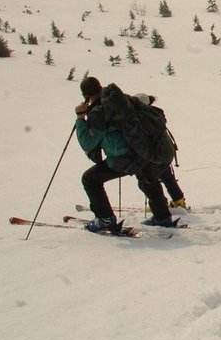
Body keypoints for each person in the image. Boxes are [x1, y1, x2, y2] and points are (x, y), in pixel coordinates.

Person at [75, 77, 175, 231]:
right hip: (143, 150)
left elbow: (88, 142)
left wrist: (80, 119)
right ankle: (163, 217)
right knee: (147, 178)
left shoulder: (98, 112)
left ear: (86, 95)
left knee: (90, 179)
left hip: (124, 158)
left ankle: (105, 219)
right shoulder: (121, 100)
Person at [134, 93, 189, 210]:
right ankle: (179, 201)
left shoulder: (143, 118)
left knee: (149, 180)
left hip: (154, 155)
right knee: (167, 177)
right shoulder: (156, 114)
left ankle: (159, 204)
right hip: (165, 152)